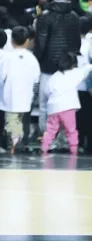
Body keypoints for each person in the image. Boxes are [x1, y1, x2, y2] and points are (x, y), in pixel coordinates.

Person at [34, 0, 81, 132]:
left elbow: (40, 44)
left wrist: (37, 61)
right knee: (66, 105)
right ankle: (64, 138)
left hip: (48, 67)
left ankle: (46, 137)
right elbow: (77, 43)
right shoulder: (74, 16)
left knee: (44, 105)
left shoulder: (44, 16)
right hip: (68, 68)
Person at [41, 52, 92, 155]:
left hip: (53, 108)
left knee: (50, 130)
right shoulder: (75, 73)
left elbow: (46, 91)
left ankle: (44, 147)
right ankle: (73, 150)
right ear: (74, 64)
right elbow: (86, 69)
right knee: (71, 130)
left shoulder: (54, 76)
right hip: (67, 107)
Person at [0, 26, 39, 154]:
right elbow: (36, 79)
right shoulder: (32, 59)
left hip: (9, 97)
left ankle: (13, 144)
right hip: (26, 97)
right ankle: (22, 143)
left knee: (11, 121)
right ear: (27, 40)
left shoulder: (7, 58)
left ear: (11, 41)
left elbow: (1, 77)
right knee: (24, 121)